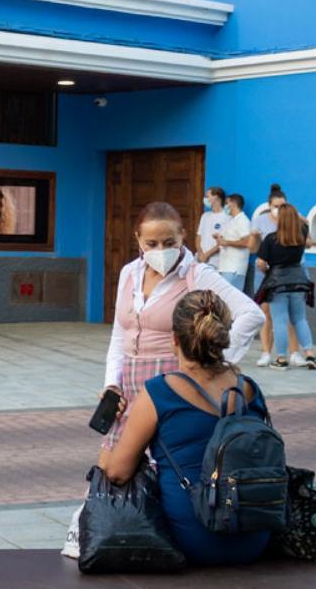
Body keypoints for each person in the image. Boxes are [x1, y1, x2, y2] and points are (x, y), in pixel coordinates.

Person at [104, 290, 274, 566]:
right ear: (222, 336)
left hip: (192, 539)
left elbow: (118, 472)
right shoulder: (249, 389)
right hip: (255, 536)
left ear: (174, 339)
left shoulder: (159, 392)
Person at [98, 201, 262, 465]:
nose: (160, 250)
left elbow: (252, 314)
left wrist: (209, 363)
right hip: (128, 389)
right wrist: (111, 383)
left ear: (183, 236)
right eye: (151, 244)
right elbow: (120, 335)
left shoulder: (196, 275)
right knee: (109, 472)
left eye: (169, 242)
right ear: (138, 239)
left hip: (172, 386)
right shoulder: (130, 273)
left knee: (161, 472)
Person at [256, 203, 316, 370]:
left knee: (280, 321)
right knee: (300, 319)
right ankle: (310, 354)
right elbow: (305, 224)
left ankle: (281, 359)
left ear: (280, 219)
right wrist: (296, 215)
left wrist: (266, 270)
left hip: (277, 283)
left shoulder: (271, 239)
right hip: (298, 279)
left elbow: (260, 263)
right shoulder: (301, 235)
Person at [247, 184, 298, 367]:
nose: (279, 209)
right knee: (265, 311)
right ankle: (266, 352)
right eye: (276, 206)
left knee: (290, 313)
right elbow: (253, 249)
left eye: (282, 205)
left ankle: (293, 353)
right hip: (264, 272)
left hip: (286, 273)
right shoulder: (260, 221)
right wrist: (253, 237)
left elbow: (305, 243)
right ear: (269, 205)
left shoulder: (293, 219)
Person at [214, 193, 251, 290]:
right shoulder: (231, 220)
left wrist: (226, 242)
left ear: (233, 204)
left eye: (227, 203)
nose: (225, 206)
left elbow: (247, 242)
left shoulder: (243, 220)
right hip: (225, 266)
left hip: (235, 268)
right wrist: (220, 239)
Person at [194, 186, 229, 268]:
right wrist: (200, 253)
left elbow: (224, 242)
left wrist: (206, 255)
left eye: (207, 196)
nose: (205, 199)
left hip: (215, 262)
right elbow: (199, 236)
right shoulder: (205, 216)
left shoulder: (227, 217)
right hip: (199, 259)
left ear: (216, 197)